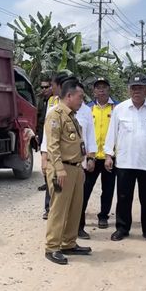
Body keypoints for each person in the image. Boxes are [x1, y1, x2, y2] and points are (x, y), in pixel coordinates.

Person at [104, 74, 146, 244]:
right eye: (133, 88)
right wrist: (108, 154)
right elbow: (112, 133)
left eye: (140, 88)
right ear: (129, 90)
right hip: (125, 161)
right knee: (124, 197)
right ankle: (122, 228)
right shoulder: (120, 109)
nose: (136, 91)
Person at [44, 78, 92, 265]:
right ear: (69, 95)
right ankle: (52, 246)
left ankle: (68, 243)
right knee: (58, 209)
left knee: (74, 208)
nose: (82, 100)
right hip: (62, 169)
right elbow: (53, 145)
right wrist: (59, 169)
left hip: (76, 168)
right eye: (80, 97)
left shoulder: (72, 114)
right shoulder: (55, 114)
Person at [80, 77, 117, 232]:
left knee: (108, 189)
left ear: (108, 89)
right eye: (98, 87)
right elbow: (85, 134)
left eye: (104, 87)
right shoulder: (88, 109)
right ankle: (79, 216)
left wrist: (112, 154)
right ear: (93, 91)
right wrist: (89, 157)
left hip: (110, 157)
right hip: (92, 157)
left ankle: (103, 216)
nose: (101, 90)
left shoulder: (117, 108)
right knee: (85, 188)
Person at [40, 72, 70, 219]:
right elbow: (47, 130)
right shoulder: (51, 102)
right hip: (53, 152)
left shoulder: (77, 104)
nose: (50, 88)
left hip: (69, 155)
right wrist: (44, 155)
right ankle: (49, 208)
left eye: (52, 85)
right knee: (52, 182)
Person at [36, 76, 53, 191]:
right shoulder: (40, 100)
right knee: (44, 159)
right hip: (42, 133)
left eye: (46, 87)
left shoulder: (55, 100)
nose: (44, 89)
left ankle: (52, 181)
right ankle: (46, 182)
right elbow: (37, 117)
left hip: (52, 132)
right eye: (42, 87)